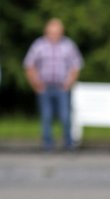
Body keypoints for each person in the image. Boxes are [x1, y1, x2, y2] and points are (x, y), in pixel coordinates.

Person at [23, 18, 83, 152]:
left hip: (62, 87)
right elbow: (29, 65)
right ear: (46, 32)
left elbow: (76, 65)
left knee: (65, 116)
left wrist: (69, 82)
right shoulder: (38, 45)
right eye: (52, 32)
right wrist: (36, 84)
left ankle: (68, 144)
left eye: (57, 32)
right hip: (44, 87)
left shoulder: (68, 45)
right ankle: (47, 145)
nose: (54, 35)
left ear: (61, 32)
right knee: (46, 116)